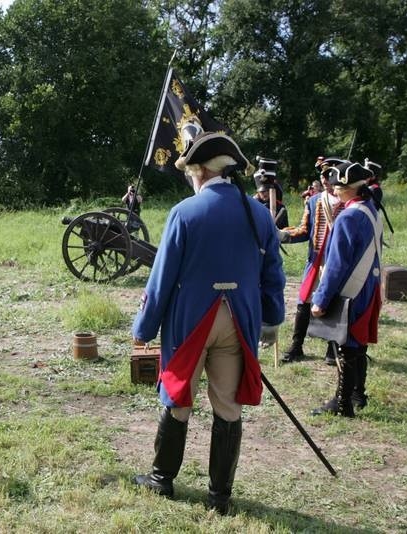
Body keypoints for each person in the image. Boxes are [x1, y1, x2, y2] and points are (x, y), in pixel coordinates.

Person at [131, 132, 285, 515]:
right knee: (229, 406)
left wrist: (144, 327)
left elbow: (162, 278)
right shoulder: (259, 214)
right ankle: (219, 497)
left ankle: (161, 479)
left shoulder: (185, 213)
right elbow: (273, 274)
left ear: (200, 171)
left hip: (192, 318)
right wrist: (272, 317)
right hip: (239, 321)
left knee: (180, 396)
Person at [310, 162, 383, 416]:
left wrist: (320, 299)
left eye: (338, 186)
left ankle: (342, 404)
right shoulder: (370, 209)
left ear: (348, 189)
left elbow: (336, 265)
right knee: (358, 345)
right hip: (368, 288)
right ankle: (357, 394)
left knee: (348, 346)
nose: (334, 190)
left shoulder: (349, 216)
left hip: (352, 290)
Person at [278, 156, 346, 364]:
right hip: (316, 259)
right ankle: (297, 346)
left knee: (334, 302)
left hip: (338, 262)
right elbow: (305, 230)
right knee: (304, 301)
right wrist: (281, 235)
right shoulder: (315, 200)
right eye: (322, 175)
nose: (324, 179)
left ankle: (332, 347)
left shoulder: (348, 202)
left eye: (329, 175)